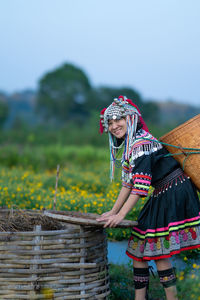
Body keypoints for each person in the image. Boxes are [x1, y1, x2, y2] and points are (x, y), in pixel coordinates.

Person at [97, 95, 200, 300]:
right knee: (139, 247)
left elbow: (141, 187)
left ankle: (172, 298)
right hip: (164, 190)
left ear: (131, 118)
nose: (115, 125)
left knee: (156, 248)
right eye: (110, 122)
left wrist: (121, 215)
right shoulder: (130, 145)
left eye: (119, 119)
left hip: (174, 189)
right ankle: (140, 297)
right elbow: (128, 184)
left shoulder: (141, 144)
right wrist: (113, 211)